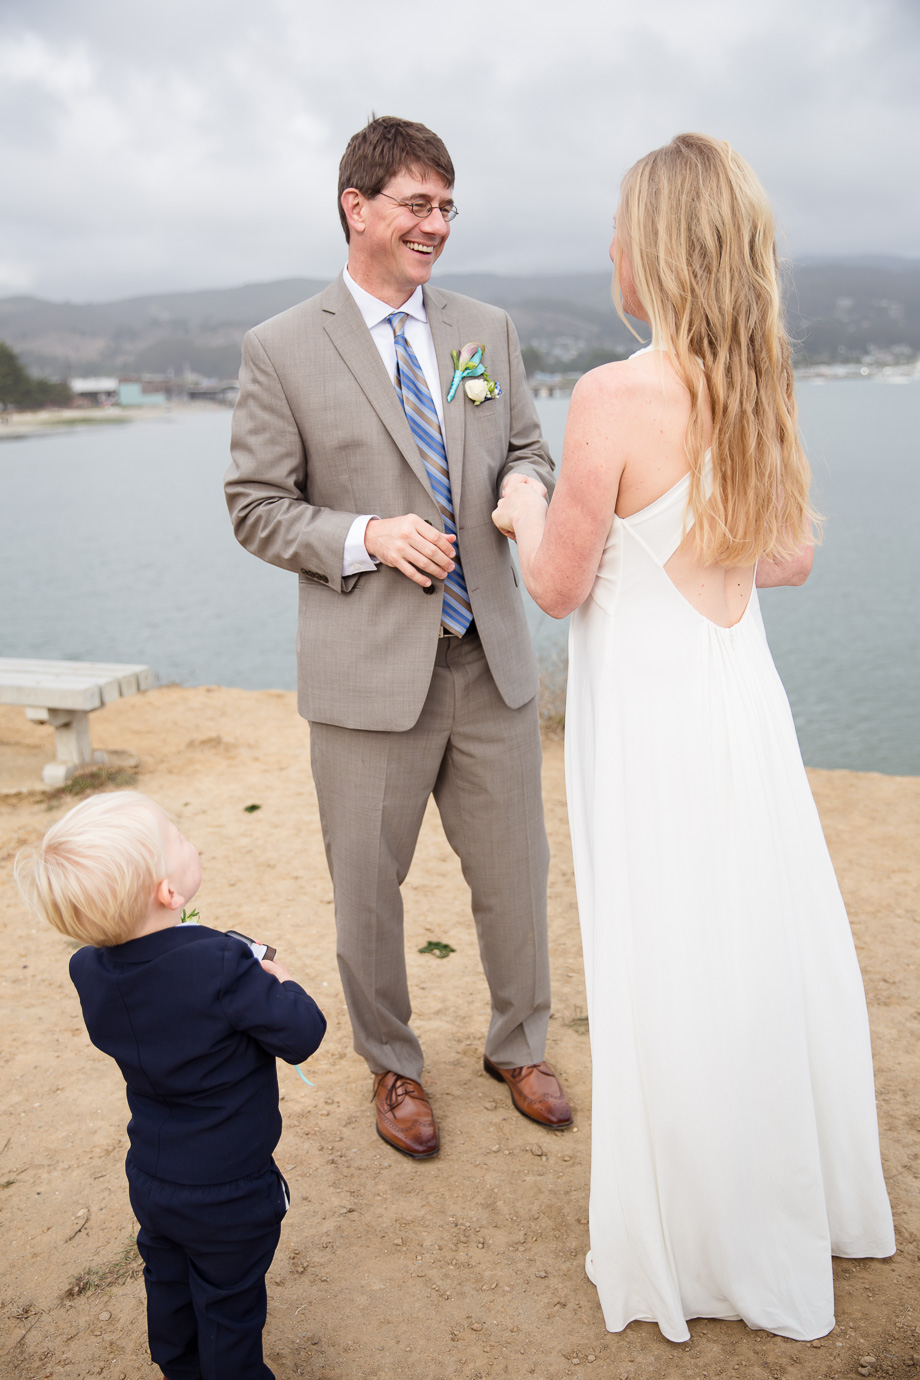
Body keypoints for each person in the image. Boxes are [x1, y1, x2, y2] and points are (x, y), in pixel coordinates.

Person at [492, 133, 895, 1342]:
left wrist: (519, 507)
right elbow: (791, 556)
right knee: (750, 937)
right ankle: (794, 1196)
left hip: (654, 720)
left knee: (668, 949)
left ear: (652, 253)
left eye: (620, 231)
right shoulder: (757, 378)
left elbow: (558, 588)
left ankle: (702, 1240)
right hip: (737, 701)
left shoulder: (614, 394)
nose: (608, 252)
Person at [225, 115, 571, 1159]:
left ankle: (519, 1043)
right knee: (367, 894)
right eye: (417, 205)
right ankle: (392, 1065)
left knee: (515, 874)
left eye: (446, 207)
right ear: (357, 207)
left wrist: (521, 484)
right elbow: (253, 507)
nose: (436, 226)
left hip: (489, 659)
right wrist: (365, 535)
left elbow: (526, 449)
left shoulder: (484, 331)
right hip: (366, 675)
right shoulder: (278, 348)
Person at [15, 791, 326, 1380]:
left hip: (153, 1178)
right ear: (169, 894)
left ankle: (179, 1367)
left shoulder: (88, 969)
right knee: (229, 1303)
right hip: (230, 1187)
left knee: (169, 1282)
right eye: (176, 837)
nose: (188, 839)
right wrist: (280, 980)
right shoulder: (221, 964)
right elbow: (303, 1035)